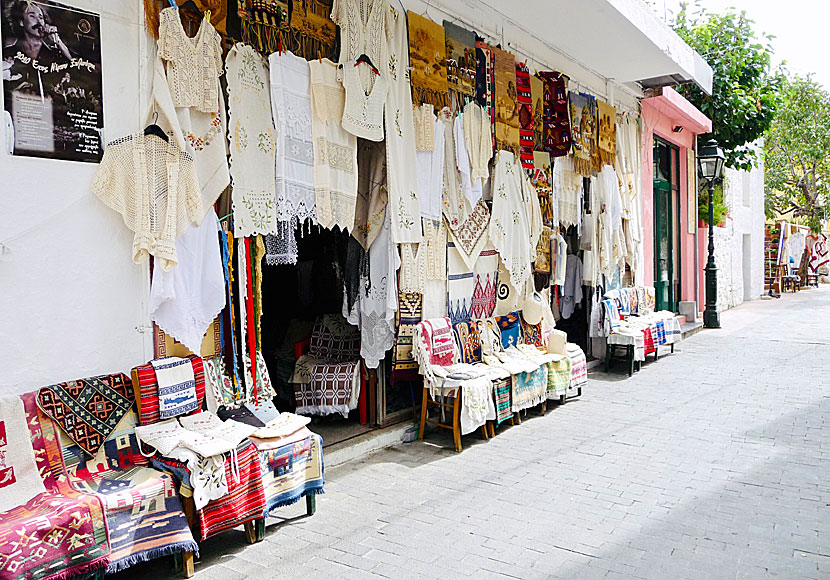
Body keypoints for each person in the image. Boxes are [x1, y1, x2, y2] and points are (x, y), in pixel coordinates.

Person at [3, 0, 71, 92]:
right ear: (21, 22)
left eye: (41, 17)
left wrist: (58, 41)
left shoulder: (54, 54)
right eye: (32, 16)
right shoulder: (7, 54)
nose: (39, 21)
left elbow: (73, 65)